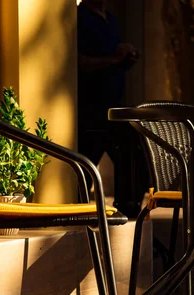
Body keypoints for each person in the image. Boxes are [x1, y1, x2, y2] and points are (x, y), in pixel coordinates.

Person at [77, 0, 139, 202]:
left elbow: (114, 55)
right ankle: (80, 214)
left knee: (130, 159)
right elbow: (78, 62)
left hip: (114, 107)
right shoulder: (80, 17)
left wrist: (126, 57)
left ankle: (130, 215)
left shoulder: (110, 18)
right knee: (85, 163)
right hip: (90, 107)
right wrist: (112, 61)